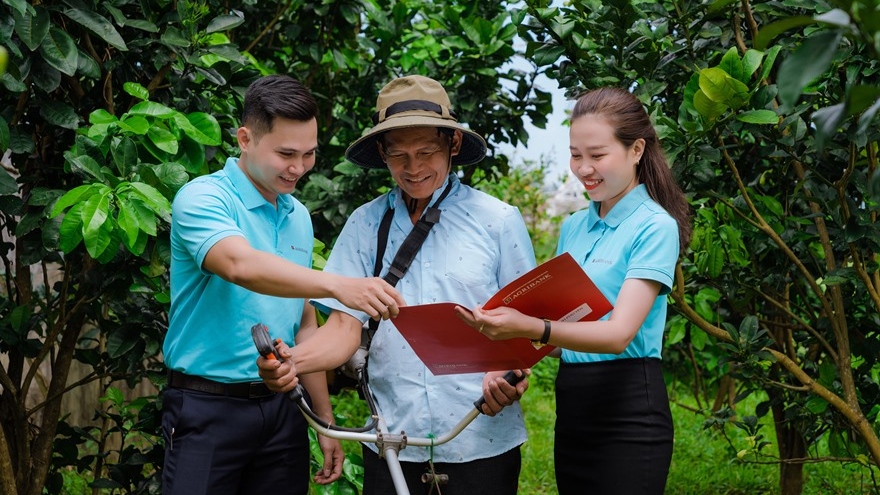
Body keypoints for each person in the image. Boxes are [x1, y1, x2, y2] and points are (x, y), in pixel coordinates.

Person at [258, 75, 535, 495]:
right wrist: (292, 363)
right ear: (382, 154)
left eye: (427, 152)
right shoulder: (365, 225)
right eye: (399, 155)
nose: (414, 168)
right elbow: (343, 331)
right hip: (391, 440)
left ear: (453, 146)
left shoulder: (497, 221)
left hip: (480, 436)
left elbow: (526, 323)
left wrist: (506, 372)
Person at [162, 74, 405, 495]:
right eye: (286, 154)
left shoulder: (297, 215)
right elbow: (239, 264)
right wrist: (338, 285)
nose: (299, 168)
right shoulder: (203, 198)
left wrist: (323, 421)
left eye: (309, 154)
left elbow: (304, 322)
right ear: (245, 139)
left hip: (284, 408)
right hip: (207, 407)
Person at [455, 86, 692, 495]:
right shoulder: (574, 227)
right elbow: (567, 329)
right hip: (574, 405)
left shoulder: (655, 226)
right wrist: (509, 343)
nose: (584, 169)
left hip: (629, 406)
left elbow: (618, 334)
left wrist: (532, 326)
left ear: (636, 150)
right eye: (575, 155)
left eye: (597, 155)